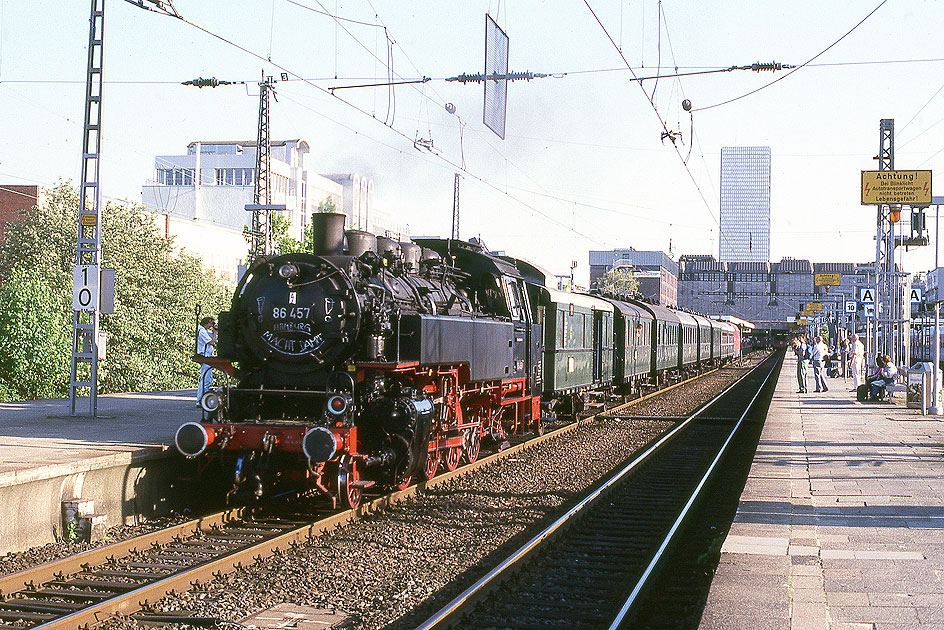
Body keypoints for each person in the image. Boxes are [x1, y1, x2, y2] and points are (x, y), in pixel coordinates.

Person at [196, 316, 217, 406]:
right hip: (205, 357)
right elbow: (211, 342)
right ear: (206, 323)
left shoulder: (204, 331)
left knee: (207, 379)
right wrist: (215, 332)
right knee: (205, 380)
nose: (211, 325)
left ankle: (202, 399)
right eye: (210, 323)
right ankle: (200, 400)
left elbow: (212, 336)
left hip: (207, 357)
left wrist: (215, 331)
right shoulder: (201, 331)